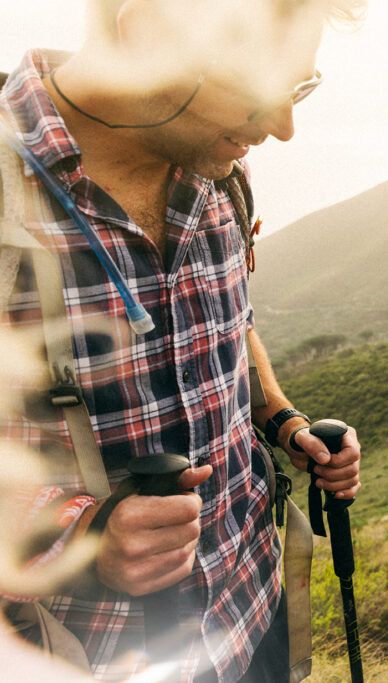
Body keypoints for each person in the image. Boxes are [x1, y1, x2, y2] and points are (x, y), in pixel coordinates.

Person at [0, 0, 364, 680]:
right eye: (262, 90)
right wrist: (81, 535)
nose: (284, 128)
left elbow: (230, 321)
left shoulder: (221, 174)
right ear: (148, 35)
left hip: (255, 614)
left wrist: (282, 419)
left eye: (299, 88)